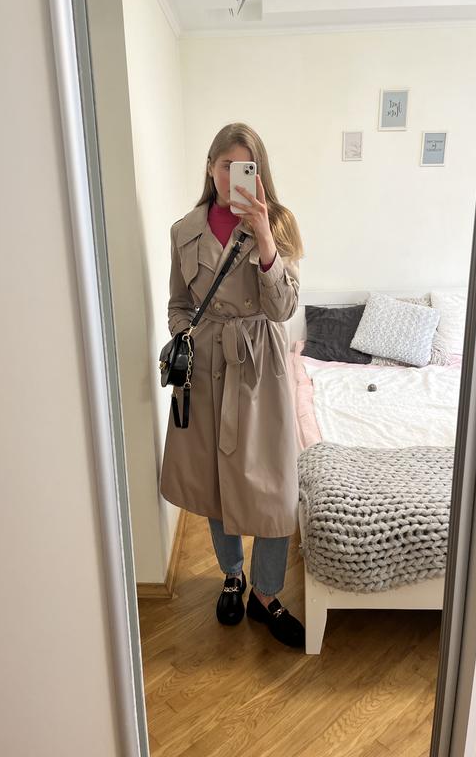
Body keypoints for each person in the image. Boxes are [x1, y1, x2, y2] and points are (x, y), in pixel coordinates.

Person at [159, 122, 305, 648]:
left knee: (273, 485)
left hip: (261, 367)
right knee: (215, 481)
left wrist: (264, 236)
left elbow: (283, 309)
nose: (234, 176)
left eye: (247, 167)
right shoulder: (184, 230)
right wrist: (188, 337)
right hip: (208, 369)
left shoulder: (277, 222)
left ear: (258, 173)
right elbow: (178, 304)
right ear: (210, 166)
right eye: (227, 165)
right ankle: (232, 577)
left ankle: (266, 592)